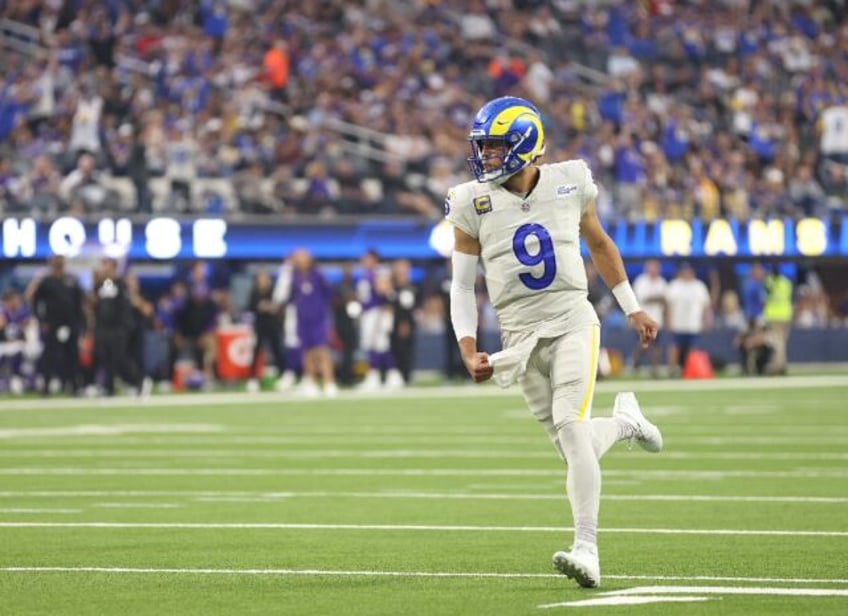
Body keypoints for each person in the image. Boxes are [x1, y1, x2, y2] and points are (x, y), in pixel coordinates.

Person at [445, 96, 663, 589]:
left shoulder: (571, 181)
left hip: (571, 319)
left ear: (526, 143)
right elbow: (461, 285)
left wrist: (631, 307)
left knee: (570, 426)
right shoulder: (469, 202)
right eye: (484, 148)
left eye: (497, 148)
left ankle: (586, 547)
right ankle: (626, 425)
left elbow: (600, 243)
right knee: (574, 447)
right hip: (518, 335)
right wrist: (466, 345)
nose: (487, 158)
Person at [274, 249, 337, 397]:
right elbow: (283, 297)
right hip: (302, 319)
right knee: (306, 352)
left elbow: (329, 294)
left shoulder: (318, 275)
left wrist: (321, 311)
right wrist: (285, 271)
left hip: (318, 319)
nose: (300, 259)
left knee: (322, 351)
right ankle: (311, 382)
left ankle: (329, 382)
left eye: (302, 256)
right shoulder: (293, 277)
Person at [28, 255, 85, 395]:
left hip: (71, 324)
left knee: (72, 356)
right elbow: (35, 301)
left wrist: (80, 324)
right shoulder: (46, 281)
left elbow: (79, 303)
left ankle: (74, 387)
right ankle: (46, 387)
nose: (59, 264)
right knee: (50, 357)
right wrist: (42, 321)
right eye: (56, 261)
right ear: (51, 264)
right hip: (52, 324)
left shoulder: (72, 280)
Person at [665, 262, 712, 375]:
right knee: (674, 347)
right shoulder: (674, 285)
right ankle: (672, 370)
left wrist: (707, 320)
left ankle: (689, 370)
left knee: (692, 350)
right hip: (678, 323)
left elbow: (705, 306)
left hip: (693, 324)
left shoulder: (699, 286)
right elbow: (668, 306)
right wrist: (669, 321)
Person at [631, 259, 667, 377]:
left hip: (657, 319)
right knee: (649, 344)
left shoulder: (662, 282)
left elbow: (666, 301)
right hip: (643, 319)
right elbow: (643, 298)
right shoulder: (641, 281)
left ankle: (636, 362)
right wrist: (658, 298)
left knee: (650, 344)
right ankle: (653, 369)